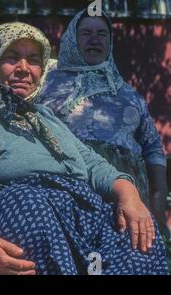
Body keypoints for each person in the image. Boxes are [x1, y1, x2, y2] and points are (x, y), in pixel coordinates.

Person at [0, 22, 168, 275]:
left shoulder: (44, 117)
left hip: (71, 214)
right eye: (12, 58)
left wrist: (129, 194)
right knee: (29, 206)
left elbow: (92, 163)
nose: (23, 69)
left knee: (134, 230)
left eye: (33, 60)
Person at [37, 9, 169, 233]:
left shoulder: (128, 93)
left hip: (128, 202)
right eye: (86, 33)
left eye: (102, 34)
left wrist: (159, 197)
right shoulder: (44, 85)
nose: (94, 40)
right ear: (72, 38)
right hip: (64, 195)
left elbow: (153, 147)